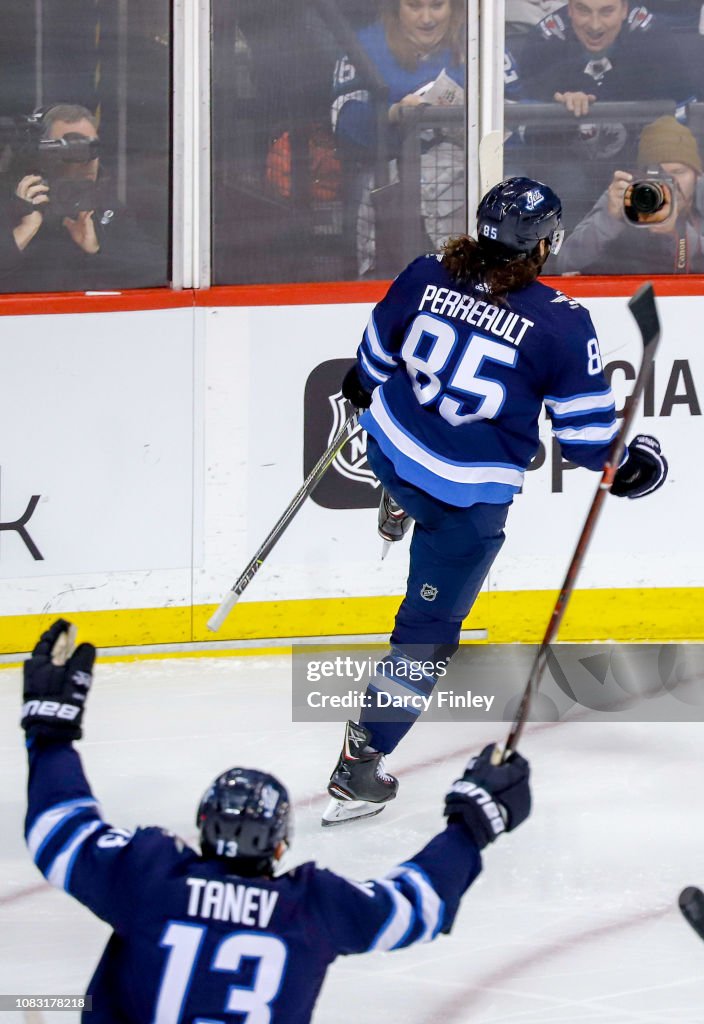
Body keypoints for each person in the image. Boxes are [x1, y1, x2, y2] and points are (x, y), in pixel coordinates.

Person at [321, 176, 668, 826]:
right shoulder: (561, 325)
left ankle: (399, 501)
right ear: (542, 246)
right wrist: (634, 466)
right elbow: (592, 444)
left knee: (401, 466)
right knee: (424, 640)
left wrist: (361, 386)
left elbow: (370, 359)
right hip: (463, 507)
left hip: (389, 450)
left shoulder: (427, 272)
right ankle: (358, 762)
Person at [21, 618, 531, 1022]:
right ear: (281, 846)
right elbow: (415, 904)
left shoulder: (150, 881)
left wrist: (50, 733)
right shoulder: (310, 910)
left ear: (201, 827)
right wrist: (471, 827)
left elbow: (59, 830)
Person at [332, 0, 466, 276]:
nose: (427, 18)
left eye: (437, 6)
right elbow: (343, 120)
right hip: (387, 164)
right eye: (414, 7)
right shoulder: (365, 45)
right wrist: (393, 113)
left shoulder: (478, 38)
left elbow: (515, 108)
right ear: (396, 8)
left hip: (467, 164)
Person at [0, 104, 165, 292]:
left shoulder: (103, 209)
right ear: (43, 155)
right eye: (73, 147)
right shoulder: (11, 207)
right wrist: (23, 231)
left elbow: (160, 270)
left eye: (94, 147)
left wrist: (97, 250)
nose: (89, 158)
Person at [556, 115, 704, 273]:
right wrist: (609, 219)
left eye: (678, 172)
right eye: (659, 174)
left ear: (698, 174)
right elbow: (567, 263)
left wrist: (678, 233)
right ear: (642, 175)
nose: (671, 182)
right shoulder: (627, 195)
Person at [508, 1, 697, 113]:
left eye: (607, 11)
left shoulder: (653, 39)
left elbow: (684, 113)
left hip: (639, 152)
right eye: (583, 10)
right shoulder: (545, 42)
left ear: (624, 9)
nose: (595, 26)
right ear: (570, 8)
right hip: (567, 155)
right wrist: (560, 110)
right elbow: (522, 127)